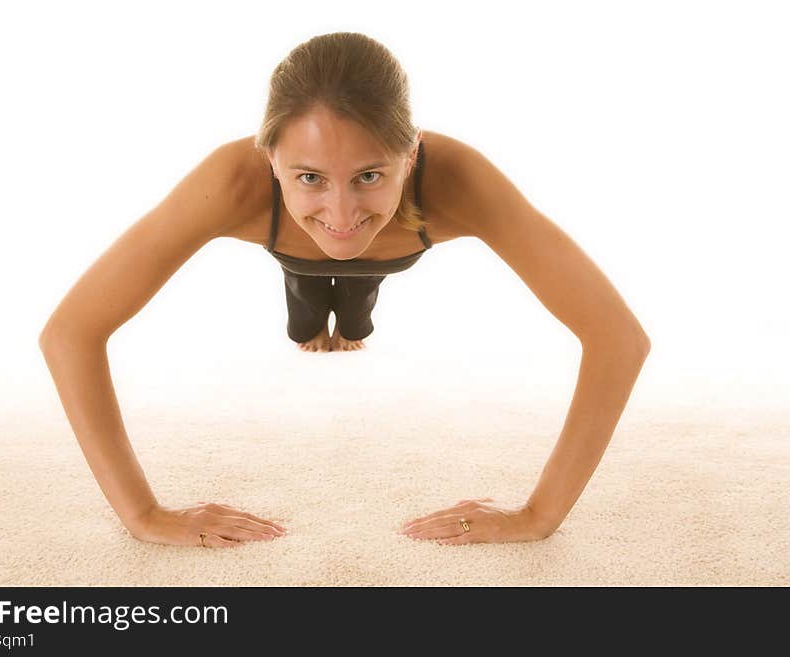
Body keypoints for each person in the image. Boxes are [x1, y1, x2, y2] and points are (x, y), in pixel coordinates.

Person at [39, 32, 650, 549]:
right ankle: (314, 312)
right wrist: (143, 515)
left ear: (410, 155)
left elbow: (619, 339)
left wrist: (539, 515)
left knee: (356, 314)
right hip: (289, 248)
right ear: (269, 158)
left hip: (394, 249)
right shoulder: (230, 182)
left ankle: (350, 320)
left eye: (368, 175)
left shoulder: (459, 180)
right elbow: (70, 332)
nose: (339, 210)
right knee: (306, 314)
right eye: (308, 177)